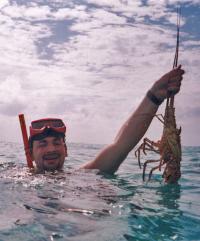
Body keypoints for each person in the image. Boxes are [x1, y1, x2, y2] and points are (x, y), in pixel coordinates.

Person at [28, 65, 185, 181]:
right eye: (42, 144)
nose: (51, 149)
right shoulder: (16, 178)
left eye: (57, 143)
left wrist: (154, 96)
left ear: (66, 150)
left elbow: (121, 145)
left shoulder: (83, 176)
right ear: (30, 154)